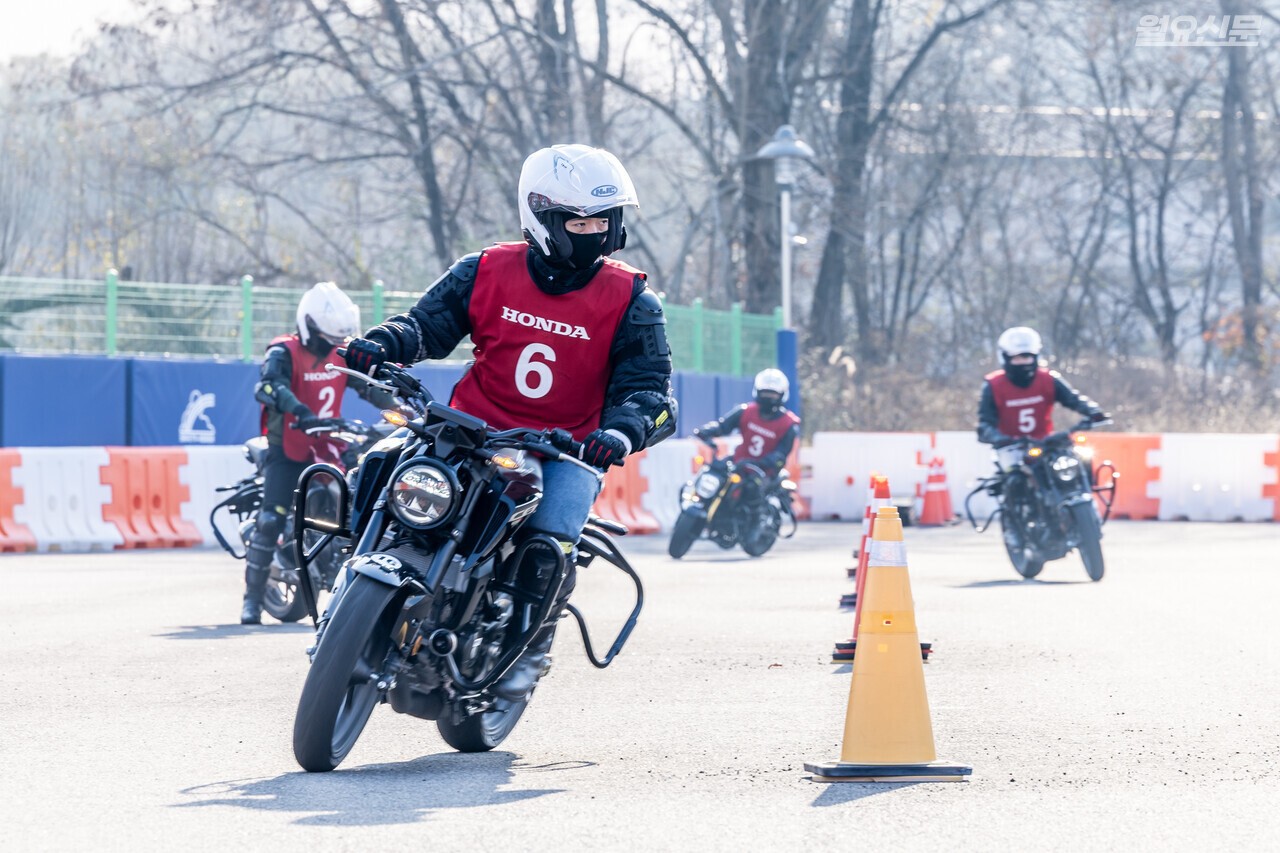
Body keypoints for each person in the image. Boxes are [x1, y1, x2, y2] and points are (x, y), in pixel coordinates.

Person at [341, 143, 677, 700]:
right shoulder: (485, 269)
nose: (594, 231)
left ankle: (530, 645)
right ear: (541, 218)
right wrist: (382, 343)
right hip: (465, 429)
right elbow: (427, 326)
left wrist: (618, 433)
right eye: (580, 220)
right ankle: (351, 580)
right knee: (377, 464)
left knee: (550, 543)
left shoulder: (633, 300)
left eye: (603, 220)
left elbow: (649, 389)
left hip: (567, 448)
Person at [241, 281, 396, 625]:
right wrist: (300, 411)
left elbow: (366, 385)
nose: (334, 345)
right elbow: (269, 386)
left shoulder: (339, 352)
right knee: (271, 519)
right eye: (328, 338)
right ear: (309, 326)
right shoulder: (283, 351)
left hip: (331, 448)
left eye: (337, 339)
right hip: (289, 449)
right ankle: (251, 602)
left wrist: (399, 408)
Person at [977, 326, 1108, 449]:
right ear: (1006, 359)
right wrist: (999, 438)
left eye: (1026, 357)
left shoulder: (1048, 379)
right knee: (1015, 473)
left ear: (1035, 357)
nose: (1022, 362)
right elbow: (985, 424)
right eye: (1016, 358)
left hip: (1046, 444)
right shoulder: (993, 385)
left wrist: (1093, 411)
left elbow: (1074, 400)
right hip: (1011, 448)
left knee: (1081, 461)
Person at [692, 368, 801, 499]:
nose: (769, 397)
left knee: (752, 492)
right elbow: (722, 426)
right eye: (765, 393)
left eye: (773, 394)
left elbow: (781, 455)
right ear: (758, 392)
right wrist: (705, 431)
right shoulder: (745, 411)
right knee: (712, 474)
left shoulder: (789, 424)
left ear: (782, 395)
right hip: (738, 462)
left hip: (764, 471)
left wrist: (763, 463)